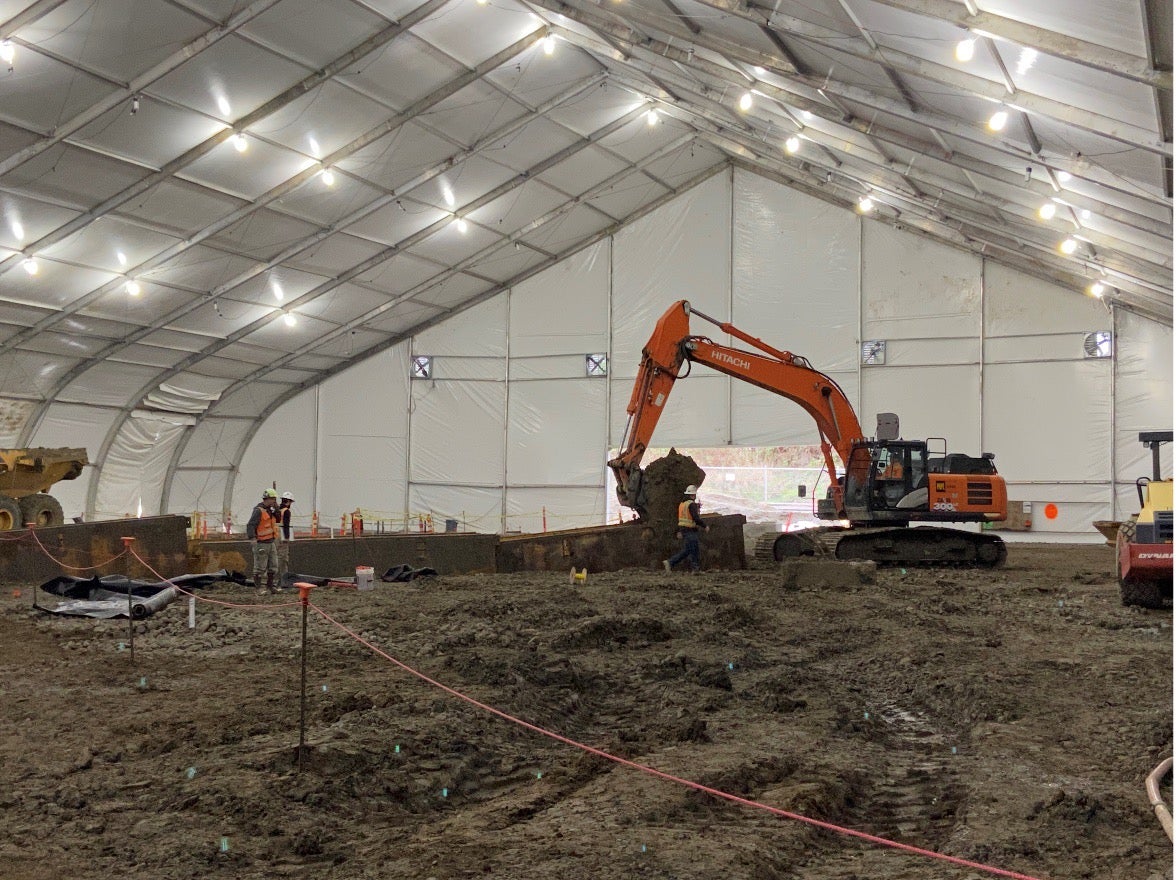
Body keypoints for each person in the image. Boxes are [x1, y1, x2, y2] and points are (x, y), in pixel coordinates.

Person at [663, 484, 709, 574]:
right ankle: (671, 562)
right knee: (693, 549)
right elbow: (695, 518)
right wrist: (705, 526)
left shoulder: (682, 504)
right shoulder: (691, 505)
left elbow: (680, 518)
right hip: (690, 530)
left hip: (684, 530)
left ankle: (672, 563)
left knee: (689, 550)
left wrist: (679, 531)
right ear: (693, 495)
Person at [247, 488, 280, 593]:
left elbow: (278, 519)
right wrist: (252, 538)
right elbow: (251, 525)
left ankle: (270, 586)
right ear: (268, 499)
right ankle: (258, 588)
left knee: (273, 566)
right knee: (260, 567)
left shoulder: (270, 510)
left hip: (271, 542)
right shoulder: (258, 511)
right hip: (261, 543)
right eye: (273, 499)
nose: (274, 501)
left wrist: (276, 509)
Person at [275, 491, 295, 589]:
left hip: (274, 536)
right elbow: (286, 525)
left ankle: (276, 579)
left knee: (275, 557)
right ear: (289, 501)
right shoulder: (286, 511)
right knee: (283, 559)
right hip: (282, 536)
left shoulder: (277, 509)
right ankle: (283, 581)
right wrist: (287, 537)